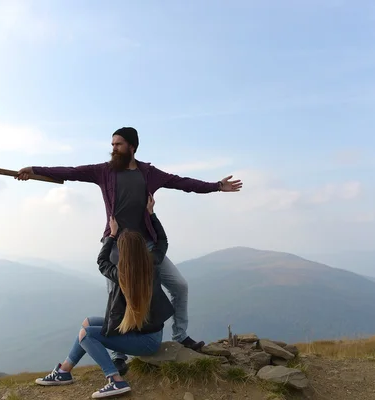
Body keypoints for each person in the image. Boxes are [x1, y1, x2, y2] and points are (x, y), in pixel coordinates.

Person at [16, 127, 242, 375]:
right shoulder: (104, 171)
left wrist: (217, 186)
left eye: (118, 144)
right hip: (116, 245)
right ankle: (118, 355)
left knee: (180, 286)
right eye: (112, 144)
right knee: (116, 298)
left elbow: (182, 183)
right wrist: (35, 170)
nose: (113, 148)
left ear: (132, 147)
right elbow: (71, 172)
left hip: (147, 246)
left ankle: (180, 336)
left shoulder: (149, 173)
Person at [34, 195, 174, 399]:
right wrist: (151, 214)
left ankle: (115, 380)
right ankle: (64, 371)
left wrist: (112, 235)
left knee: (87, 334)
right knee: (87, 322)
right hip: (149, 332)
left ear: (124, 254)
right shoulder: (152, 262)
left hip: (145, 341)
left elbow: (101, 261)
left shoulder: (121, 275)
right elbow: (162, 240)